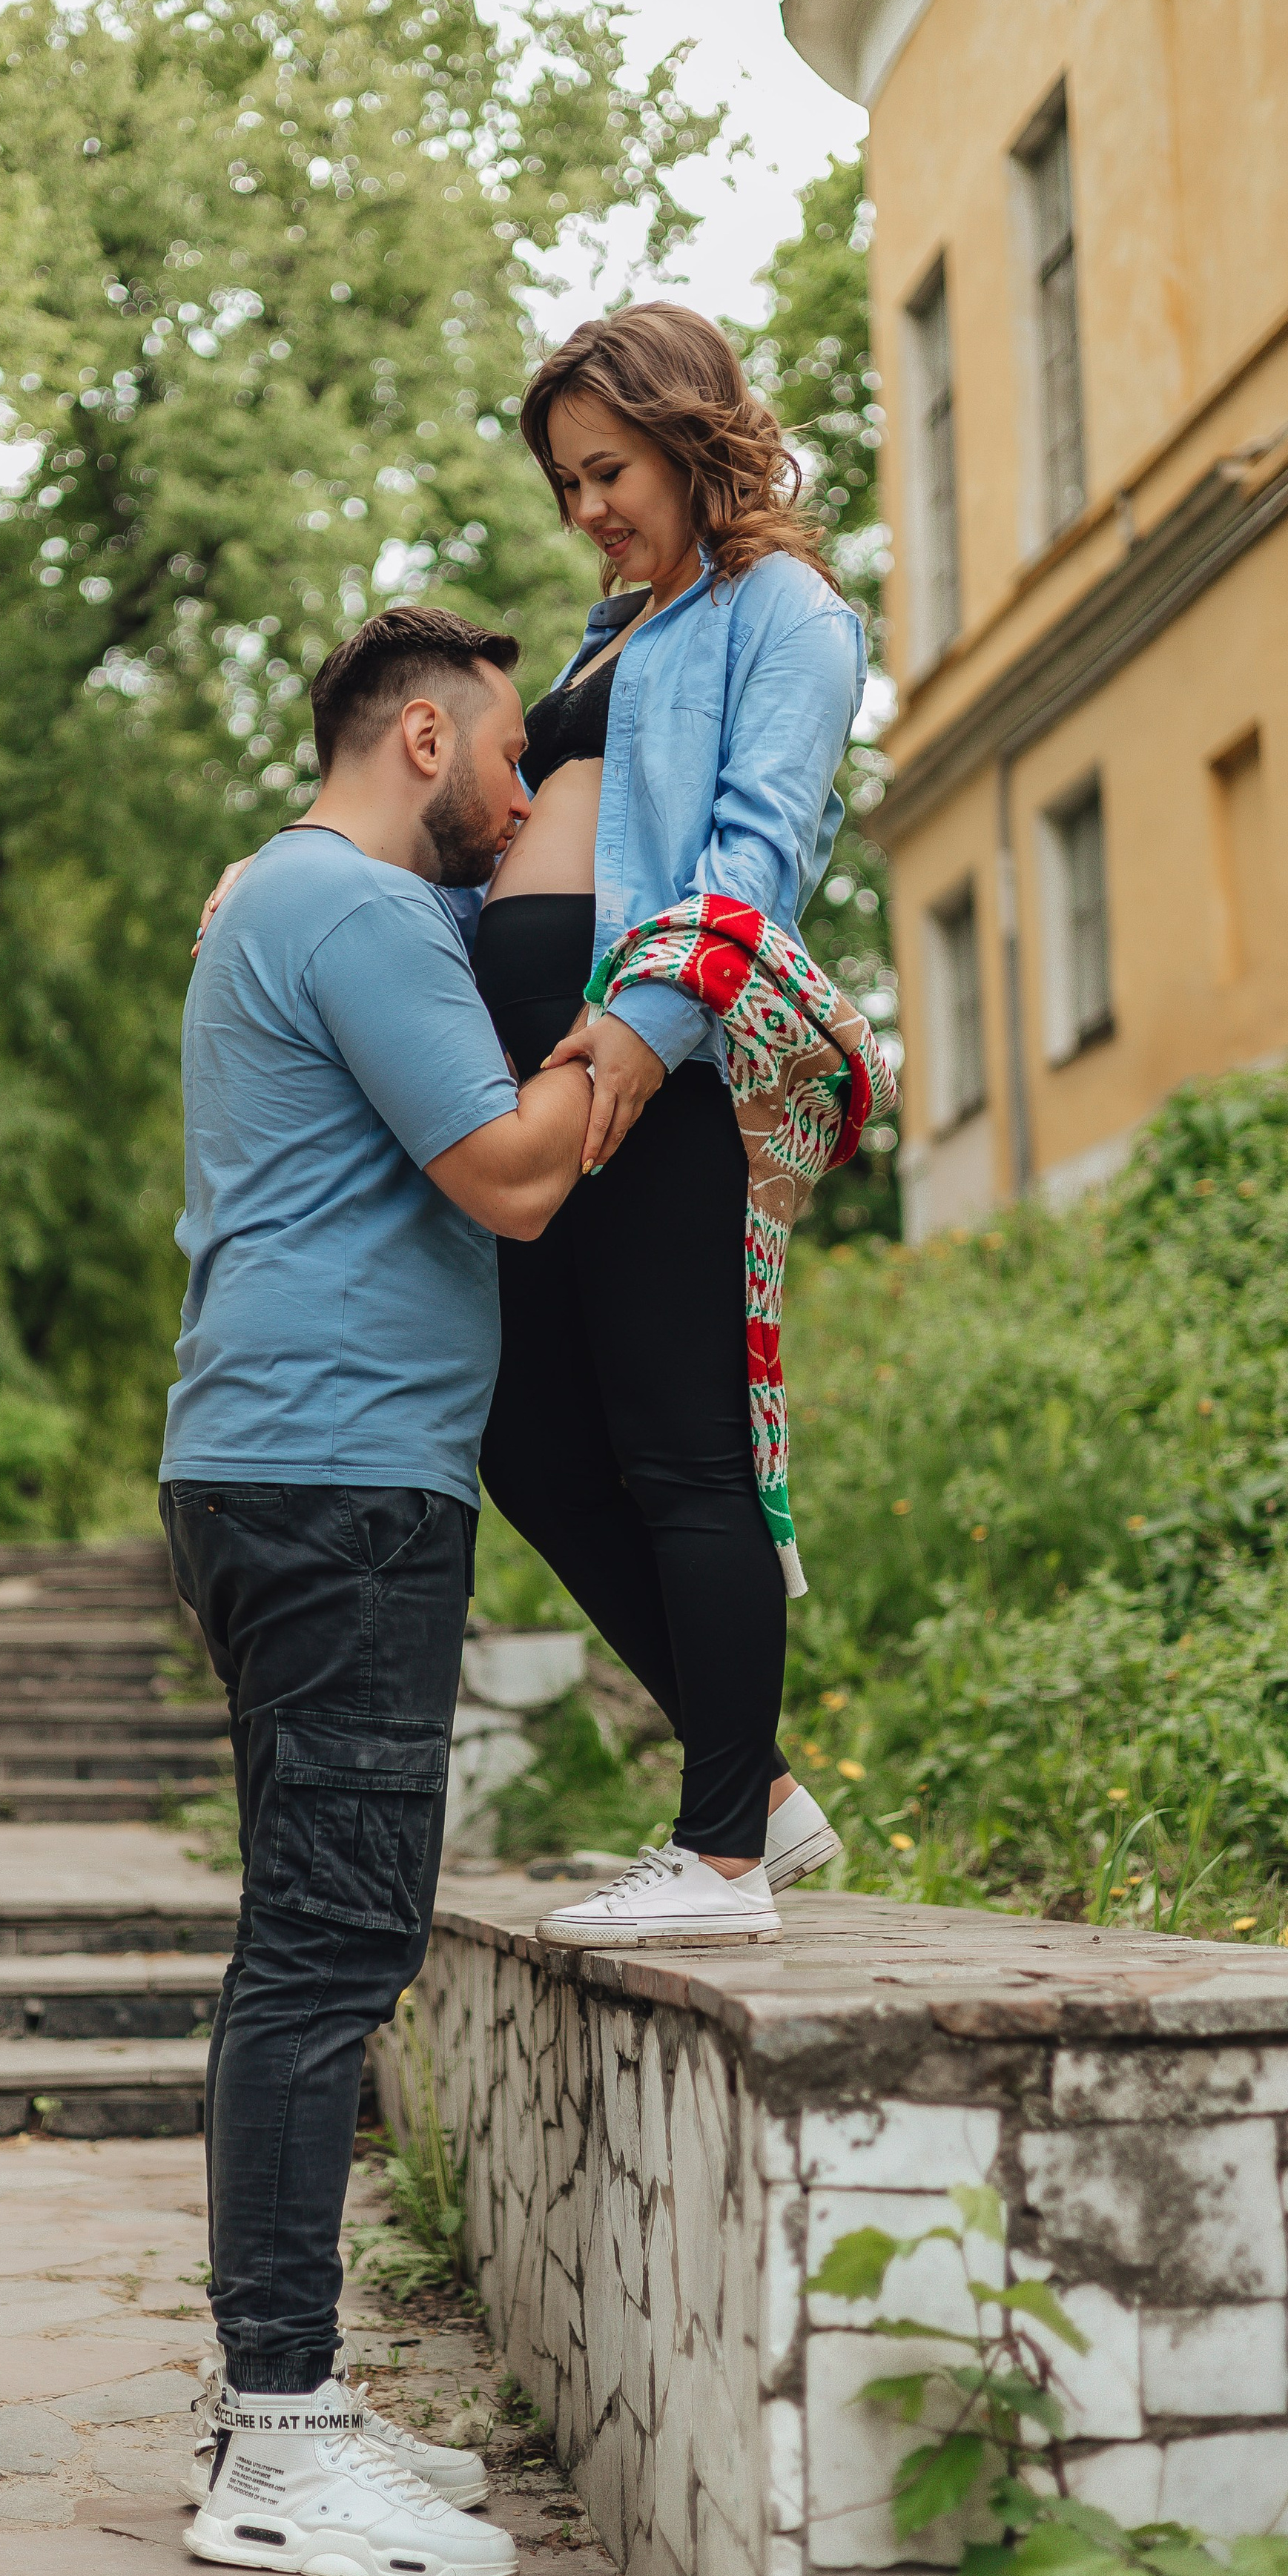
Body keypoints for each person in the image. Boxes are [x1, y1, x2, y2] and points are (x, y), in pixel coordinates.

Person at [160, 606, 592, 2576]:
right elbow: (508, 1172)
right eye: (509, 757)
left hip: (304, 1461)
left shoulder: (296, 895)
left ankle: (291, 2393)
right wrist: (648, 1024)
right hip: (333, 1477)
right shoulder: (350, 912)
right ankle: (272, 2433)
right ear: (423, 740)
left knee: (315, 1938)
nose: (521, 798)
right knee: (328, 1950)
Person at [469, 302, 868, 1953]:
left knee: (679, 1449)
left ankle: (717, 1859)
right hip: (547, 1076)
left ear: (691, 435)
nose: (587, 509)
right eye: (566, 483)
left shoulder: (789, 613)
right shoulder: (613, 624)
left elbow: (754, 848)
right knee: (526, 1437)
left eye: (607, 470)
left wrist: (643, 1029)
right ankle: (754, 1785)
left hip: (659, 1071)